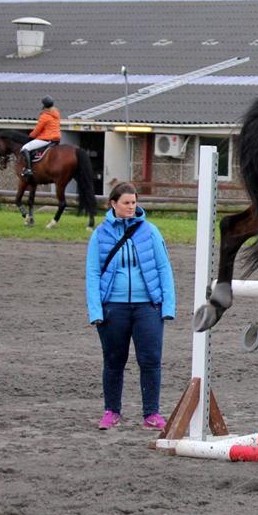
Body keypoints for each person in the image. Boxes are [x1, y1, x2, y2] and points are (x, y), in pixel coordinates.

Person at [85, 182, 176, 431]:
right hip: (113, 308)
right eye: (126, 203)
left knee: (150, 360)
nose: (131, 207)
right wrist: (96, 311)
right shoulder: (100, 235)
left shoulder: (150, 232)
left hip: (148, 307)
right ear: (113, 204)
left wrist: (167, 306)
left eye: (134, 202)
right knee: (113, 361)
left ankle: (151, 413)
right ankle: (112, 411)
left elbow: (163, 268)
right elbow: (92, 273)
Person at [21, 95, 60, 177]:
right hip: (56, 139)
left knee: (25, 148)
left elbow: (37, 130)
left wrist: (30, 136)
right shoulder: (56, 113)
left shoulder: (44, 116)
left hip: (46, 139)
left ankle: (28, 169)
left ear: (44, 105)